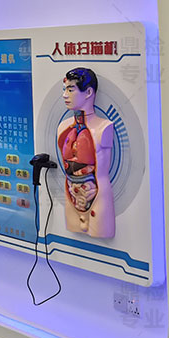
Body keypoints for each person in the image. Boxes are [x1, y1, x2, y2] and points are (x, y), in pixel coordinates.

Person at [56, 67, 116, 238]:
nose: (64, 95)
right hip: (71, 196)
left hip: (97, 198)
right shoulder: (63, 127)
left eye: (70, 89)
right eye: (64, 89)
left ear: (88, 92)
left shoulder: (104, 127)